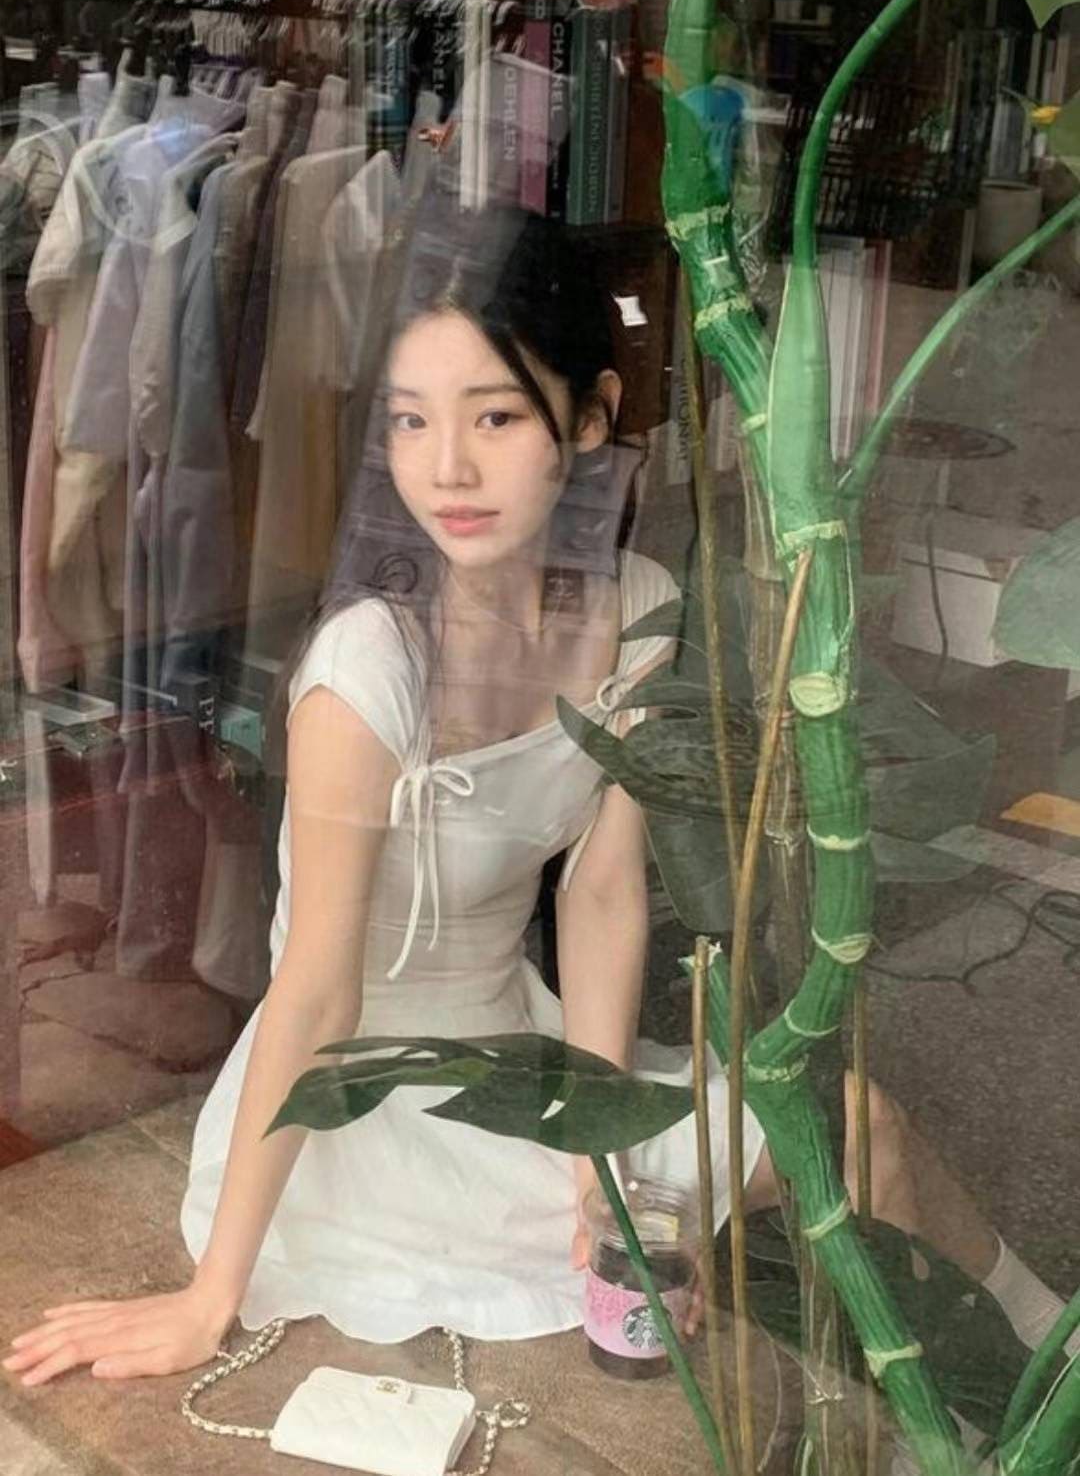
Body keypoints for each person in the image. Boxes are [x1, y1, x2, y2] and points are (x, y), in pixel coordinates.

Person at [4, 202, 1071, 1388]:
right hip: (367, 1114)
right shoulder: (369, 667)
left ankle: (1044, 1358)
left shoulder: (637, 608)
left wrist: (592, 1153)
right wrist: (211, 1298)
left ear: (593, 415)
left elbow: (602, 896)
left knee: (857, 1127)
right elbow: (315, 991)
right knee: (832, 1144)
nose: (446, 469)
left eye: (497, 417)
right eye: (411, 420)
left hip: (534, 1058)